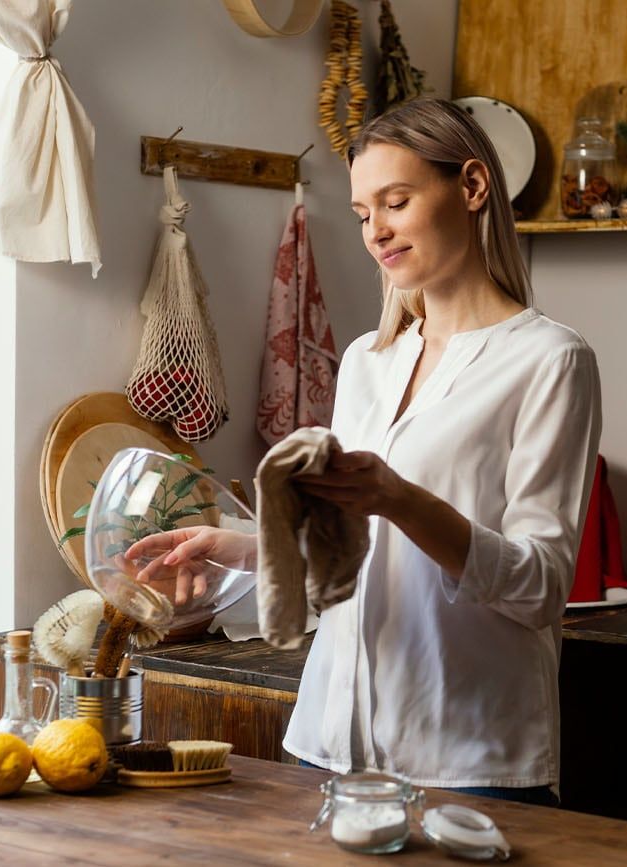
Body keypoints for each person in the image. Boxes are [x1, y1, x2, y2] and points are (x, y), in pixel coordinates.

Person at [128, 97, 601, 806]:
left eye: (396, 201)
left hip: (468, 750)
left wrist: (400, 498)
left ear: (471, 188)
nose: (375, 230)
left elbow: (540, 586)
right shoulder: (366, 362)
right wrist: (231, 544)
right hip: (328, 736)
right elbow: (343, 546)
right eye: (360, 213)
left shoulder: (550, 360)